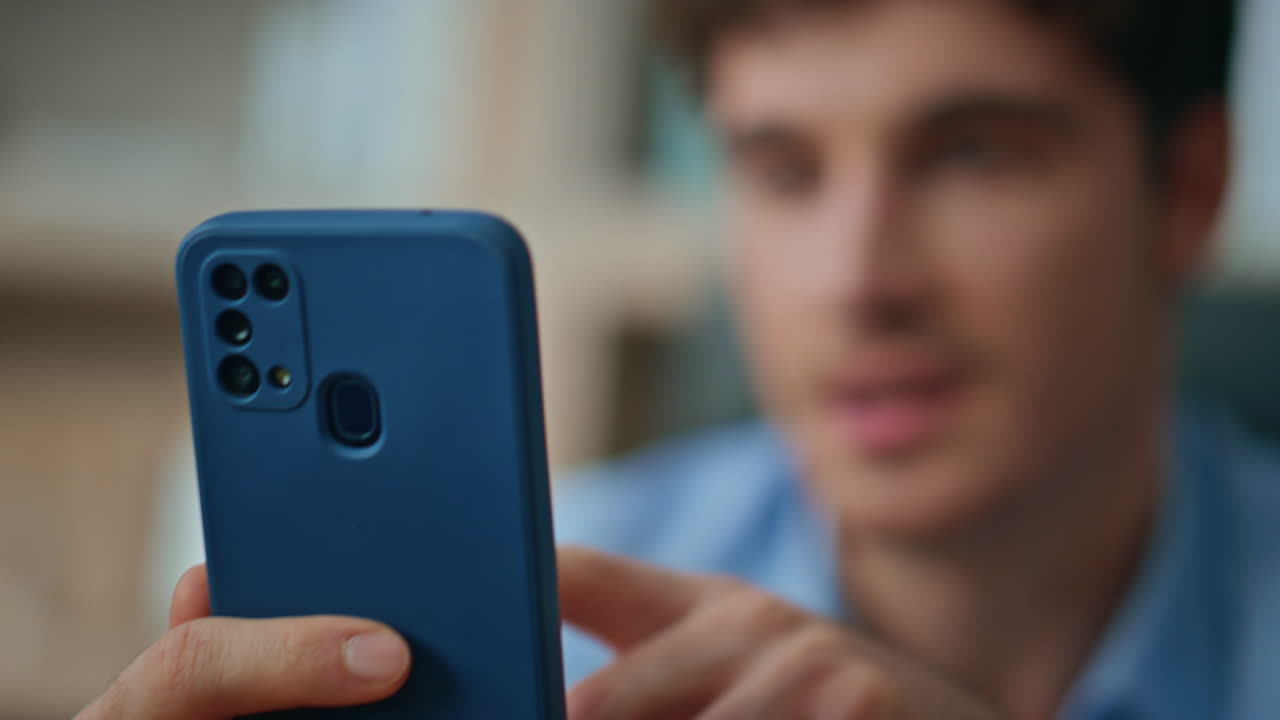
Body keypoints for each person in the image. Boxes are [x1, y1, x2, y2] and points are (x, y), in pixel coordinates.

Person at [78, 0, 1279, 718]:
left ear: (1187, 184)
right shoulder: (539, 613)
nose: (856, 280)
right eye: (781, 170)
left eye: (970, 156)